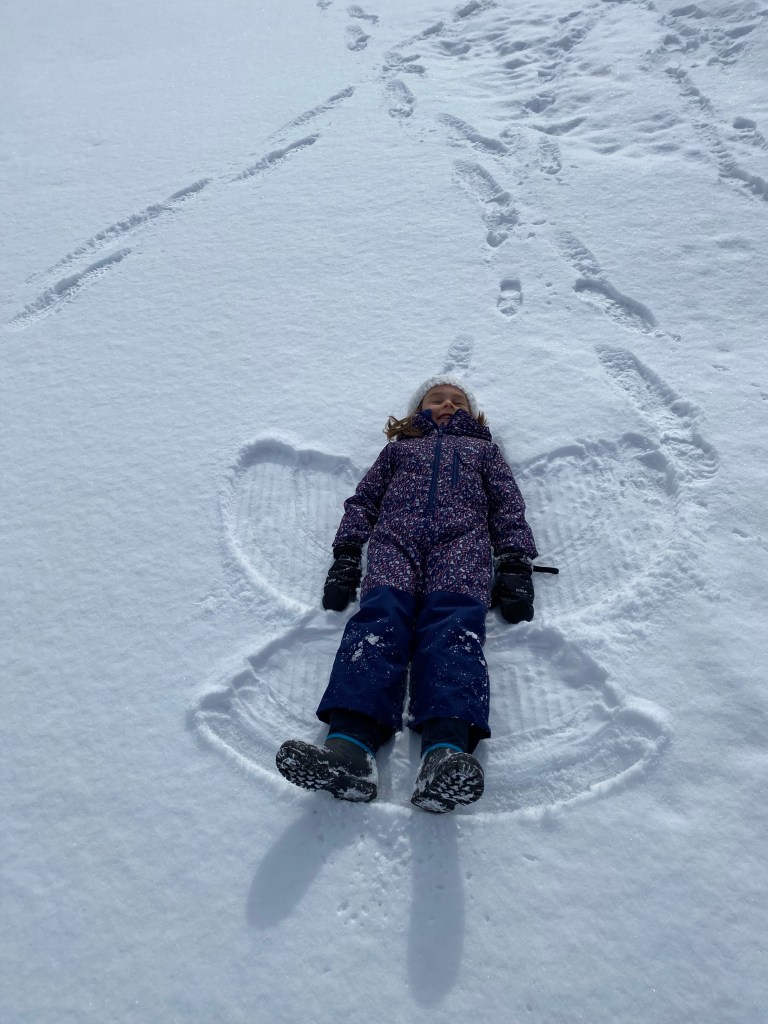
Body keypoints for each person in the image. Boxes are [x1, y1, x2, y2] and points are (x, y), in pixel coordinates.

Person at [276, 375, 538, 813]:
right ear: (418, 411)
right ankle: (350, 748)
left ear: (473, 415)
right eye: (437, 399)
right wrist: (346, 555)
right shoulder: (398, 451)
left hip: (463, 545)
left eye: (458, 402)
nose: (449, 404)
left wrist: (514, 562)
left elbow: (507, 506)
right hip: (395, 543)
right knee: (378, 623)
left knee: (453, 632)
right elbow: (363, 502)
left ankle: (445, 753)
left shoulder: (484, 451)